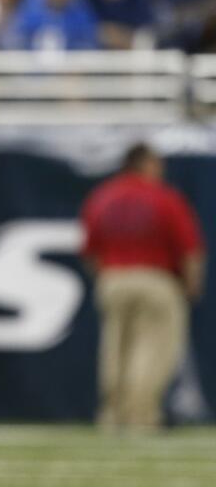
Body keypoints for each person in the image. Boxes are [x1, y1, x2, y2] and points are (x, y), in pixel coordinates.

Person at [81, 143, 206, 430]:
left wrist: (105, 276)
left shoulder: (103, 197)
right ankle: (140, 415)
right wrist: (192, 284)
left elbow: (89, 250)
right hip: (156, 279)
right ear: (146, 164)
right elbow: (190, 249)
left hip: (112, 278)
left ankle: (112, 415)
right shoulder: (164, 198)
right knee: (152, 350)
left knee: (115, 349)